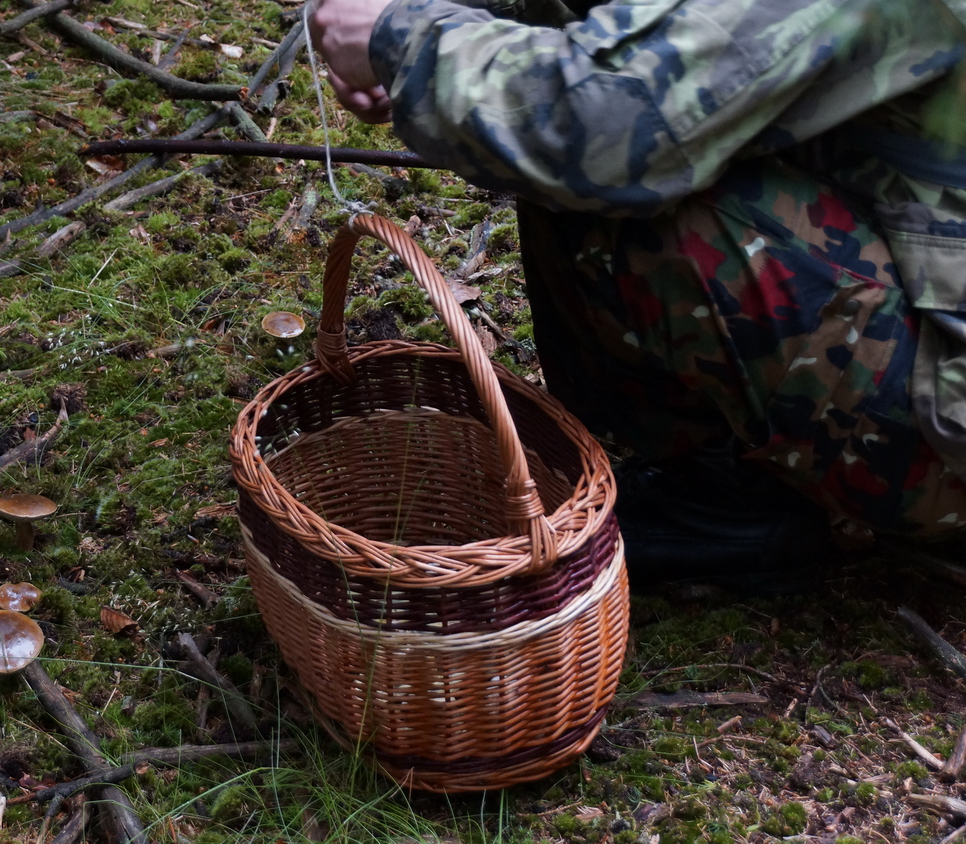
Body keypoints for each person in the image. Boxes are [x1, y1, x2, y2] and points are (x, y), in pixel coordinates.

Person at [309, 0, 966, 593]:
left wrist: (407, 38)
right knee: (609, 100)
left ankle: (732, 500)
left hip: (944, 454)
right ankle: (735, 482)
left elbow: (605, 123)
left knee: (625, 177)